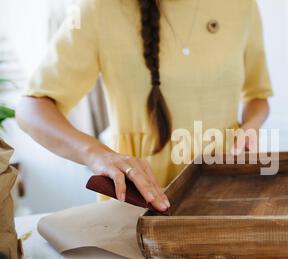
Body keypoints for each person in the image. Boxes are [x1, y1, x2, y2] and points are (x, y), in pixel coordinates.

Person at [16, 0, 273, 212]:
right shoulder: (98, 10)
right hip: (137, 201)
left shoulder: (242, 6)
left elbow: (257, 95)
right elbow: (31, 108)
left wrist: (251, 124)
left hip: (225, 188)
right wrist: (95, 153)